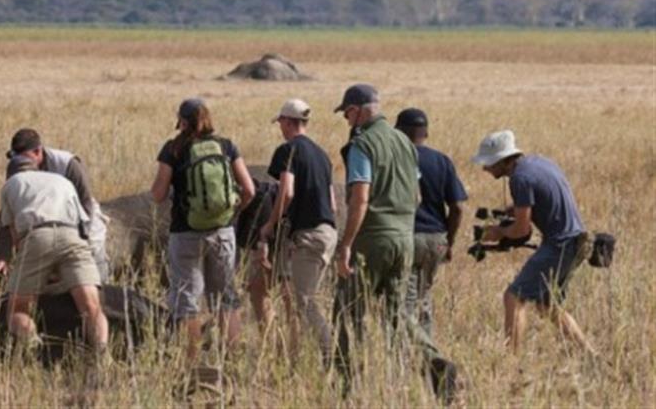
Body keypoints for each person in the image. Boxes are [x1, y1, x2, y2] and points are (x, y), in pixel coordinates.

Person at [331, 84, 458, 400]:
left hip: (373, 239)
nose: (347, 120)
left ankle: (347, 387)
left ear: (359, 110)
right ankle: (434, 361)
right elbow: (416, 196)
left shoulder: (363, 143)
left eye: (347, 113)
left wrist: (346, 244)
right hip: (405, 238)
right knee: (398, 313)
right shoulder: (404, 142)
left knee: (347, 312)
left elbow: (360, 198)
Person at [472, 130, 595, 356]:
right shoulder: (539, 162)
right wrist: (507, 212)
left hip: (560, 244)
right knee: (546, 304)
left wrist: (497, 232)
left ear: (502, 161)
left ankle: (512, 363)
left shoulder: (520, 178)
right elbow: (535, 199)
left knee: (514, 297)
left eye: (489, 164)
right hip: (577, 241)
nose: (485, 169)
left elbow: (521, 230)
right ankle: (589, 355)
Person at [151, 98, 256, 363]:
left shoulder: (173, 149)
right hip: (222, 232)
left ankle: (192, 363)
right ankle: (233, 360)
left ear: (182, 121)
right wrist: (230, 213)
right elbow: (250, 190)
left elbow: (158, 194)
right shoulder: (226, 146)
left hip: (185, 234)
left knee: (187, 300)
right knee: (226, 298)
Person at [0, 154, 109, 357]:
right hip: (73, 237)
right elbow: (84, 224)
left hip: (37, 235)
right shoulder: (62, 181)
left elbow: (15, 236)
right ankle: (102, 356)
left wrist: (20, 265)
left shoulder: (11, 184)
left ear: (11, 174)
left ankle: (36, 352)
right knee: (92, 307)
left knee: (18, 309)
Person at [253, 98, 339, 362]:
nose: (280, 127)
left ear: (289, 122)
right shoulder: (322, 155)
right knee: (286, 292)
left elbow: (286, 192)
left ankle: (333, 356)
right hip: (326, 233)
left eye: (281, 122)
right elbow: (333, 204)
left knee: (304, 301)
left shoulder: (287, 150)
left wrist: (268, 225)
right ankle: (290, 355)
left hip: (307, 236)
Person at [395, 108, 467, 339]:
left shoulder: (397, 159)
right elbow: (457, 208)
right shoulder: (442, 161)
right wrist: (449, 242)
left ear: (400, 132)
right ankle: (427, 355)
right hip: (436, 238)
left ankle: (413, 357)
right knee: (423, 298)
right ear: (425, 132)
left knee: (404, 303)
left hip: (408, 236)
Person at [7, 128, 110, 282]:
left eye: (25, 158)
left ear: (37, 151)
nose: (21, 163)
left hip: (80, 218)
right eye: (17, 158)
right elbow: (10, 210)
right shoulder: (16, 167)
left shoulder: (67, 164)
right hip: (46, 220)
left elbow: (85, 201)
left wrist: (83, 236)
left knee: (92, 269)